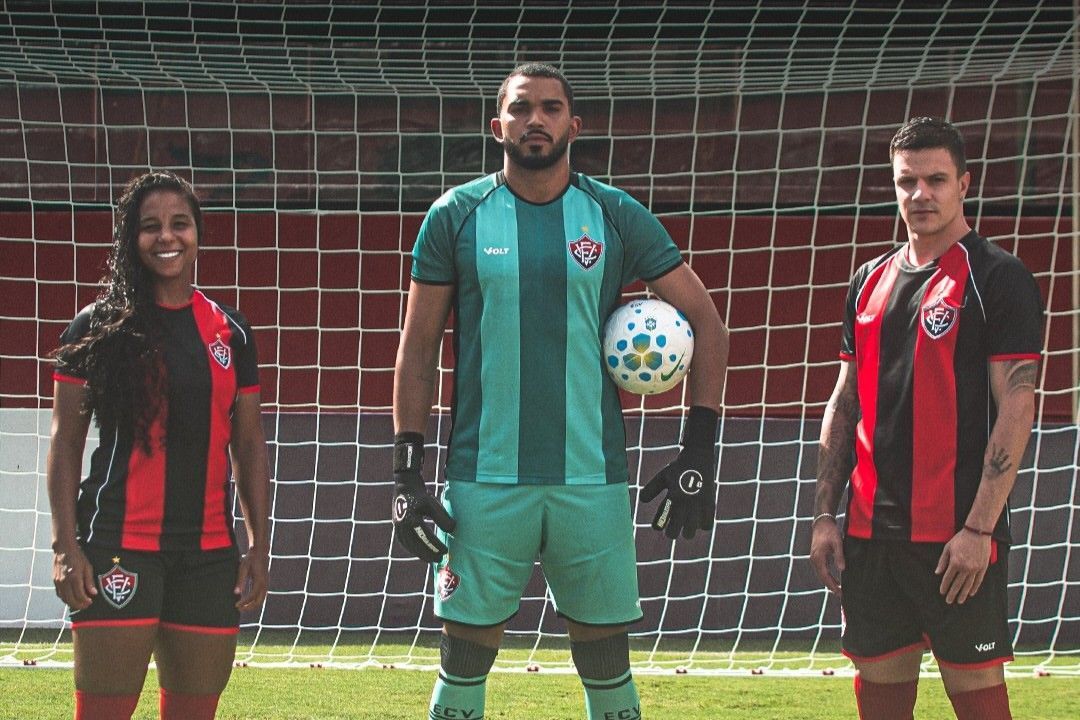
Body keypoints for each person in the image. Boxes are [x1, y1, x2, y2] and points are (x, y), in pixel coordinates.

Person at [392, 62, 728, 720]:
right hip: (484, 477)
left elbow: (708, 325)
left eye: (549, 108)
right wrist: (407, 473)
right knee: (465, 650)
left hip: (590, 479)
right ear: (498, 127)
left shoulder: (614, 215)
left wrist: (699, 455)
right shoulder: (455, 216)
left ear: (575, 126)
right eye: (520, 109)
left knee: (605, 657)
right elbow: (417, 347)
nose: (535, 120)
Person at [809, 117, 1043, 720]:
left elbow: (1018, 406)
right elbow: (843, 402)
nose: (921, 194)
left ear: (965, 184)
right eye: (907, 181)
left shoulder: (998, 278)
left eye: (936, 180)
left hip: (956, 541)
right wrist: (823, 518)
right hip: (868, 538)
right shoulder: (867, 282)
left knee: (979, 702)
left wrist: (979, 529)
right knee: (881, 704)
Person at [48, 170, 271, 720]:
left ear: (198, 233)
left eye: (180, 224)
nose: (167, 237)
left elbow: (247, 444)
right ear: (131, 238)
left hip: (209, 556)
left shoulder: (231, 332)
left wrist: (259, 544)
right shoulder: (96, 329)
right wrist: (64, 546)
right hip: (118, 545)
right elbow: (66, 442)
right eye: (150, 227)